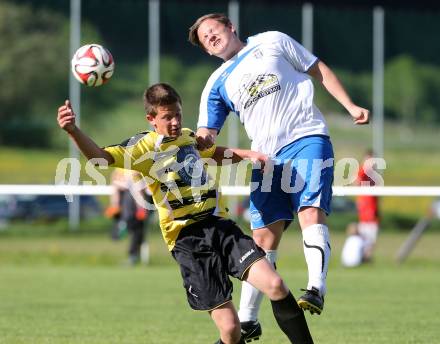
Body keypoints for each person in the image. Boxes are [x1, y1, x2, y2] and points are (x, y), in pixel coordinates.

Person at [57, 83, 314, 344]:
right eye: (167, 117)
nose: (175, 122)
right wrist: (73, 130)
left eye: (178, 114)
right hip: (188, 240)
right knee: (230, 330)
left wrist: (247, 154)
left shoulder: (189, 137)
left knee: (276, 286)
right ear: (151, 119)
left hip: (220, 226)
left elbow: (213, 154)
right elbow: (99, 158)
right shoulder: (142, 149)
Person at [188, 13, 370, 339]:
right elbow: (207, 132)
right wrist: (201, 141)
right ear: (206, 49)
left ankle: (316, 287)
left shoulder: (272, 40)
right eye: (205, 39)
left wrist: (350, 105)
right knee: (262, 238)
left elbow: (317, 68)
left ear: (230, 26)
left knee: (309, 211)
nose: (212, 37)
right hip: (266, 158)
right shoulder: (217, 82)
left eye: (214, 30)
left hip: (306, 138)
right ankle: (248, 319)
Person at [106, 168, 152, 265]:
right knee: (135, 225)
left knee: (137, 227)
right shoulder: (123, 163)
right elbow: (115, 176)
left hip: (143, 195)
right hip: (129, 196)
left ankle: (123, 226)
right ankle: (122, 224)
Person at [355, 149, 380, 262]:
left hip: (372, 208)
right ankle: (364, 258)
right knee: (368, 236)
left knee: (371, 237)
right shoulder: (364, 171)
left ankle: (365, 258)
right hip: (366, 209)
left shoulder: (373, 174)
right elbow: (357, 180)